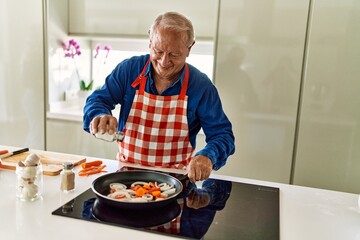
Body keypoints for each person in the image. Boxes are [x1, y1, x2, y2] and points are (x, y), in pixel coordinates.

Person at [83, 12, 235, 183]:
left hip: (176, 182)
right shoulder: (129, 70)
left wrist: (208, 156)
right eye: (158, 51)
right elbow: (98, 100)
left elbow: (222, 134)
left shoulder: (201, 86)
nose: (164, 62)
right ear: (150, 41)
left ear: (189, 49)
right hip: (124, 177)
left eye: (174, 55)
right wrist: (98, 115)